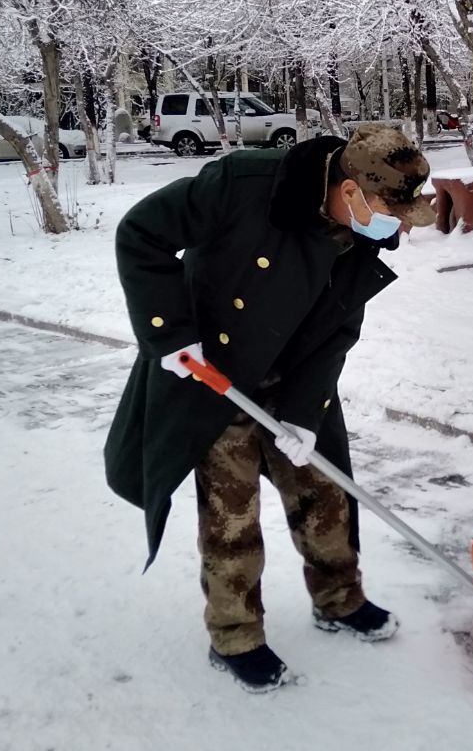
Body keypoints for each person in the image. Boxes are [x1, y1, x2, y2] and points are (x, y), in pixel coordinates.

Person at [105, 122, 436, 692]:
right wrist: (172, 333)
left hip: (295, 373)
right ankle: (235, 635)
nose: (400, 225)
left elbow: (337, 329)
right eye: (393, 210)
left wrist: (306, 414)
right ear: (351, 189)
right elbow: (140, 233)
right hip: (215, 369)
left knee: (324, 492)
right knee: (232, 514)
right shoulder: (245, 183)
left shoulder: (368, 229)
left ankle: (339, 600)